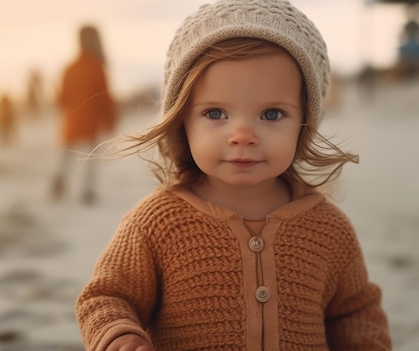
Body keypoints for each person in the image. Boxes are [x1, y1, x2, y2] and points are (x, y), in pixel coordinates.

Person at [75, 1, 391, 350]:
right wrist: (120, 333)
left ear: (305, 123)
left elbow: (355, 312)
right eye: (215, 113)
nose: (242, 134)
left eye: (271, 114)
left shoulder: (329, 229)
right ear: (182, 120)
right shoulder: (156, 222)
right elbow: (106, 295)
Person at [52, 24, 117, 205]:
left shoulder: (69, 68)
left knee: (66, 154)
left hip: (71, 120)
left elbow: (61, 98)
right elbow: (105, 98)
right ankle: (88, 191)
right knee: (91, 157)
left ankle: (59, 181)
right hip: (90, 120)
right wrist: (111, 121)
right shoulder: (97, 67)